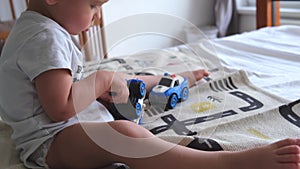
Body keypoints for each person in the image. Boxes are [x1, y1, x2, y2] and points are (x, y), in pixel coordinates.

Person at [0, 0, 299, 169]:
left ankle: (173, 79)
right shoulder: (44, 38)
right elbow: (59, 108)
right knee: (125, 133)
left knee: (121, 83)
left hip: (68, 124)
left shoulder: (41, 29)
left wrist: (105, 83)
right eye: (92, 5)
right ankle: (225, 163)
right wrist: (102, 79)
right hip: (50, 143)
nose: (97, 15)